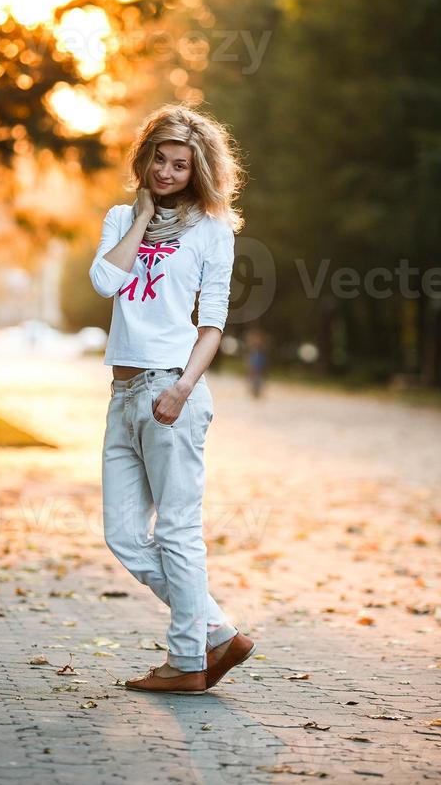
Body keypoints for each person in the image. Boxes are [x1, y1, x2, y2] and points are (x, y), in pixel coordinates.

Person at [89, 103, 257, 694]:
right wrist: (139, 219)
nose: (165, 172)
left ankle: (188, 660)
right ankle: (217, 632)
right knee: (127, 536)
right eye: (158, 159)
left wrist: (184, 388)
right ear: (145, 158)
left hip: (171, 390)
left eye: (179, 165)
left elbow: (212, 322)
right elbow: (106, 281)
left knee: (178, 530)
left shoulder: (212, 230)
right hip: (123, 391)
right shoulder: (119, 218)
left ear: (198, 171)